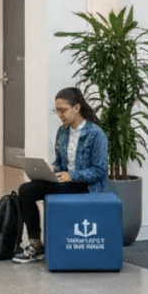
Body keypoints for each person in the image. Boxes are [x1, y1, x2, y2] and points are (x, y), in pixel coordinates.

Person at [13, 87, 109, 264]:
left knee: (35, 190)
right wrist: (50, 169)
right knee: (26, 190)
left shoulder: (96, 134)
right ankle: (36, 244)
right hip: (66, 183)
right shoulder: (62, 132)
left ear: (77, 108)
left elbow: (101, 170)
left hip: (86, 187)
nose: (60, 115)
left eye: (63, 110)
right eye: (56, 111)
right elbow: (60, 161)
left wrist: (73, 175)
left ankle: (41, 247)